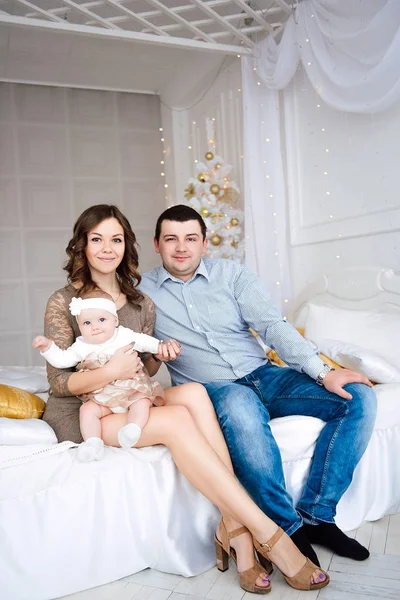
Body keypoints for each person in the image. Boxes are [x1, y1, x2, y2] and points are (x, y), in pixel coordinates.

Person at [41, 203, 329, 594]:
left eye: (116, 239)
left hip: (129, 397)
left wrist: (158, 356)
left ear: (127, 246)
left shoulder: (140, 301)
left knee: (193, 393)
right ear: (82, 245)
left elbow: (146, 371)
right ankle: (260, 537)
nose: (107, 248)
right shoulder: (65, 302)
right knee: (176, 421)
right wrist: (109, 372)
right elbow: (58, 381)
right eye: (97, 240)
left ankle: (231, 528)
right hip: (85, 407)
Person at [140, 204, 377, 566]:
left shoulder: (232, 275)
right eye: (171, 239)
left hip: (266, 374)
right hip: (213, 388)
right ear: (157, 244)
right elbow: (138, 352)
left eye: (190, 238)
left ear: (204, 243)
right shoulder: (142, 294)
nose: (181, 247)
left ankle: (318, 515)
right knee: (241, 408)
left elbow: (272, 326)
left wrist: (323, 372)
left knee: (358, 397)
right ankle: (287, 528)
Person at [33, 291, 180, 459]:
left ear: (115, 321)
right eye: (87, 323)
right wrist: (48, 348)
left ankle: (133, 428)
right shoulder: (81, 345)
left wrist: (161, 346)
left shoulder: (124, 335)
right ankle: (93, 442)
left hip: (130, 391)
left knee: (143, 401)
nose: (95, 327)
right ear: (80, 326)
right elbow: (62, 360)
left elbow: (145, 341)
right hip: (102, 397)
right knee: (87, 410)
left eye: (102, 320)